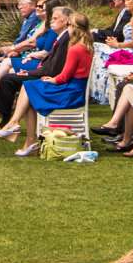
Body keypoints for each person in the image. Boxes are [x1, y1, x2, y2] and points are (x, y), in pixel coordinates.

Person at [15, 11, 95, 155]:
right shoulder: (87, 46)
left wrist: (52, 79)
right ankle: (26, 137)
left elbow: (64, 76)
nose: (67, 29)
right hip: (75, 89)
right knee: (30, 88)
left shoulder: (75, 49)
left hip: (70, 93)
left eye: (69, 25)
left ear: (74, 27)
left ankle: (17, 126)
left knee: (28, 86)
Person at [0, 5, 70, 138]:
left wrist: (30, 73)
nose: (51, 21)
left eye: (55, 18)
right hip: (44, 73)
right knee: (15, 80)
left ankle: (9, 123)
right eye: (51, 18)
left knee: (11, 80)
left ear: (65, 21)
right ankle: (18, 129)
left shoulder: (65, 39)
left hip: (54, 81)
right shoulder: (61, 37)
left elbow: (53, 68)